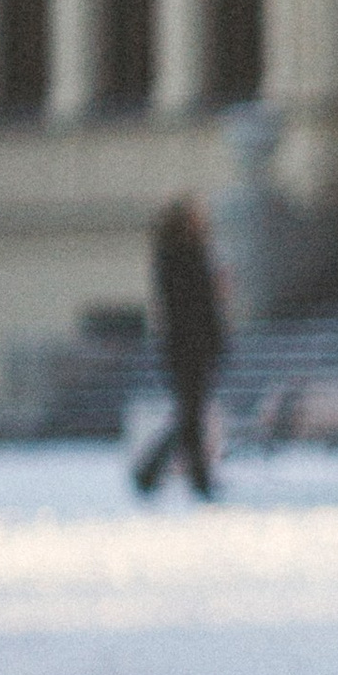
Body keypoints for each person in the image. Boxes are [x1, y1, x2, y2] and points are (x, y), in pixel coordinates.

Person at [131, 198, 226, 497]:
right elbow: (190, 306)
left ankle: (158, 472)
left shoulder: (185, 255)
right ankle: (182, 476)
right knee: (190, 416)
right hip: (186, 346)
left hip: (191, 345)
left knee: (189, 415)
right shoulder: (179, 257)